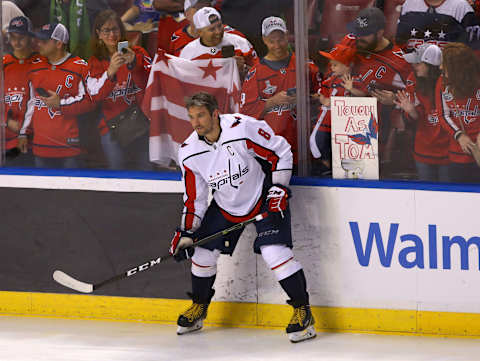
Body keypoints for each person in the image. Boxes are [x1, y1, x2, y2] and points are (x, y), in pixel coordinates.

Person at [169, 92, 316, 343]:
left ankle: (303, 311)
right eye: (192, 117)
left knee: (274, 253)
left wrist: (279, 187)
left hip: (263, 197)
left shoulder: (242, 128)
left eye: (201, 115)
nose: (196, 123)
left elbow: (280, 151)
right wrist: (187, 232)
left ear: (215, 113)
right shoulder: (189, 152)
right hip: (225, 205)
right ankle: (199, 307)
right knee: (202, 254)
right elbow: (195, 198)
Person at [340, 7, 413, 177]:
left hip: (382, 141)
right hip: (348, 133)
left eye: (364, 34)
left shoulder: (400, 61)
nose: (359, 38)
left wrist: (395, 99)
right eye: (357, 33)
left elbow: (418, 99)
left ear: (380, 33)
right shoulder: (353, 50)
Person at [240, 16, 321, 164]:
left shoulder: (306, 65)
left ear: (287, 35)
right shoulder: (255, 73)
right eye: (272, 41)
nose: (277, 45)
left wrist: (305, 98)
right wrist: (271, 102)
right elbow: (245, 114)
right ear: (264, 40)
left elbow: (322, 99)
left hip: (303, 146)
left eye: (280, 39)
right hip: (271, 150)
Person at [19, 23, 94, 168]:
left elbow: (89, 101)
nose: (39, 43)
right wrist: (23, 133)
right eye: (39, 40)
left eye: (44, 41)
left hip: (70, 148)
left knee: (71, 190)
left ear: (59, 43)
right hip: (40, 146)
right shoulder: (35, 66)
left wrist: (60, 104)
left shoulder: (80, 66)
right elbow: (31, 103)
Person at [87, 9, 152, 170]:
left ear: (121, 31)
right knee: (117, 173)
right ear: (99, 34)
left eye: (115, 29)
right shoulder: (95, 62)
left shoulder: (138, 53)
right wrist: (110, 72)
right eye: (106, 31)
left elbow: (152, 84)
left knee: (145, 171)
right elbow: (94, 96)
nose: (111, 35)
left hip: (139, 123)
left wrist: (134, 65)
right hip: (111, 126)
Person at [394, 44, 450, 182]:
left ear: (431, 65)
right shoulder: (414, 81)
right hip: (424, 151)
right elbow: (416, 117)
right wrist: (411, 111)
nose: (414, 66)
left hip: (449, 152)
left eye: (418, 63)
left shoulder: (449, 82)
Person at [309, 44, 365, 172]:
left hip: (347, 126)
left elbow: (365, 97)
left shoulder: (355, 80)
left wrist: (352, 90)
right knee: (320, 143)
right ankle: (326, 168)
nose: (331, 67)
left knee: (344, 152)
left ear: (348, 65)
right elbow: (322, 95)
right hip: (327, 121)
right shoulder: (329, 80)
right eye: (331, 64)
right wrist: (321, 98)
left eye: (335, 64)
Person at [436, 42, 480, 183]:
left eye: (445, 64)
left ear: (458, 67)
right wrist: (459, 135)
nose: (440, 67)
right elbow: (443, 115)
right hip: (458, 153)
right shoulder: (442, 83)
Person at [3, 16, 44, 167]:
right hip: (5, 137)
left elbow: (41, 101)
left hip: (32, 139)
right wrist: (5, 121)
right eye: (13, 37)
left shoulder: (41, 62)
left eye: (21, 37)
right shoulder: (4, 63)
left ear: (30, 38)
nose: (17, 41)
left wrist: (25, 130)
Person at [179, 7, 258, 79]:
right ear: (200, 32)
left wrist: (243, 69)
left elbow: (259, 73)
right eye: (212, 29)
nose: (218, 32)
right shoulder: (188, 53)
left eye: (220, 26)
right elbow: (185, 83)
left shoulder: (241, 43)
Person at [167, 0, 245, 57]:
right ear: (187, 14)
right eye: (200, 10)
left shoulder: (232, 34)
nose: (206, 14)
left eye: (208, 8)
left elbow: (253, 68)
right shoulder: (177, 38)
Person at [396, 0, 480, 51]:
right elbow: (399, 41)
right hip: (413, 70)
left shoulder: (461, 6)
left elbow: (472, 47)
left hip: (449, 71)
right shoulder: (409, 3)